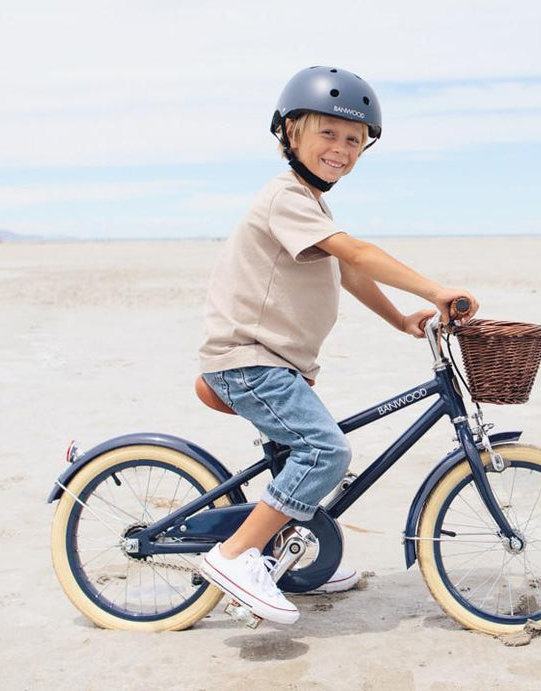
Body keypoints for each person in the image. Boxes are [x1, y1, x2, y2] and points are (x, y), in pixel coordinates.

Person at [193, 66, 478, 626]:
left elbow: (347, 271)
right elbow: (360, 253)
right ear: (290, 133)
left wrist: (400, 319)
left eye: (354, 140)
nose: (342, 149)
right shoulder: (285, 198)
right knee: (325, 453)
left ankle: (294, 561)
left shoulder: (311, 205)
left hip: (277, 366)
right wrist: (436, 289)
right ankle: (234, 557)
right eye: (328, 133)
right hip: (250, 363)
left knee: (304, 454)